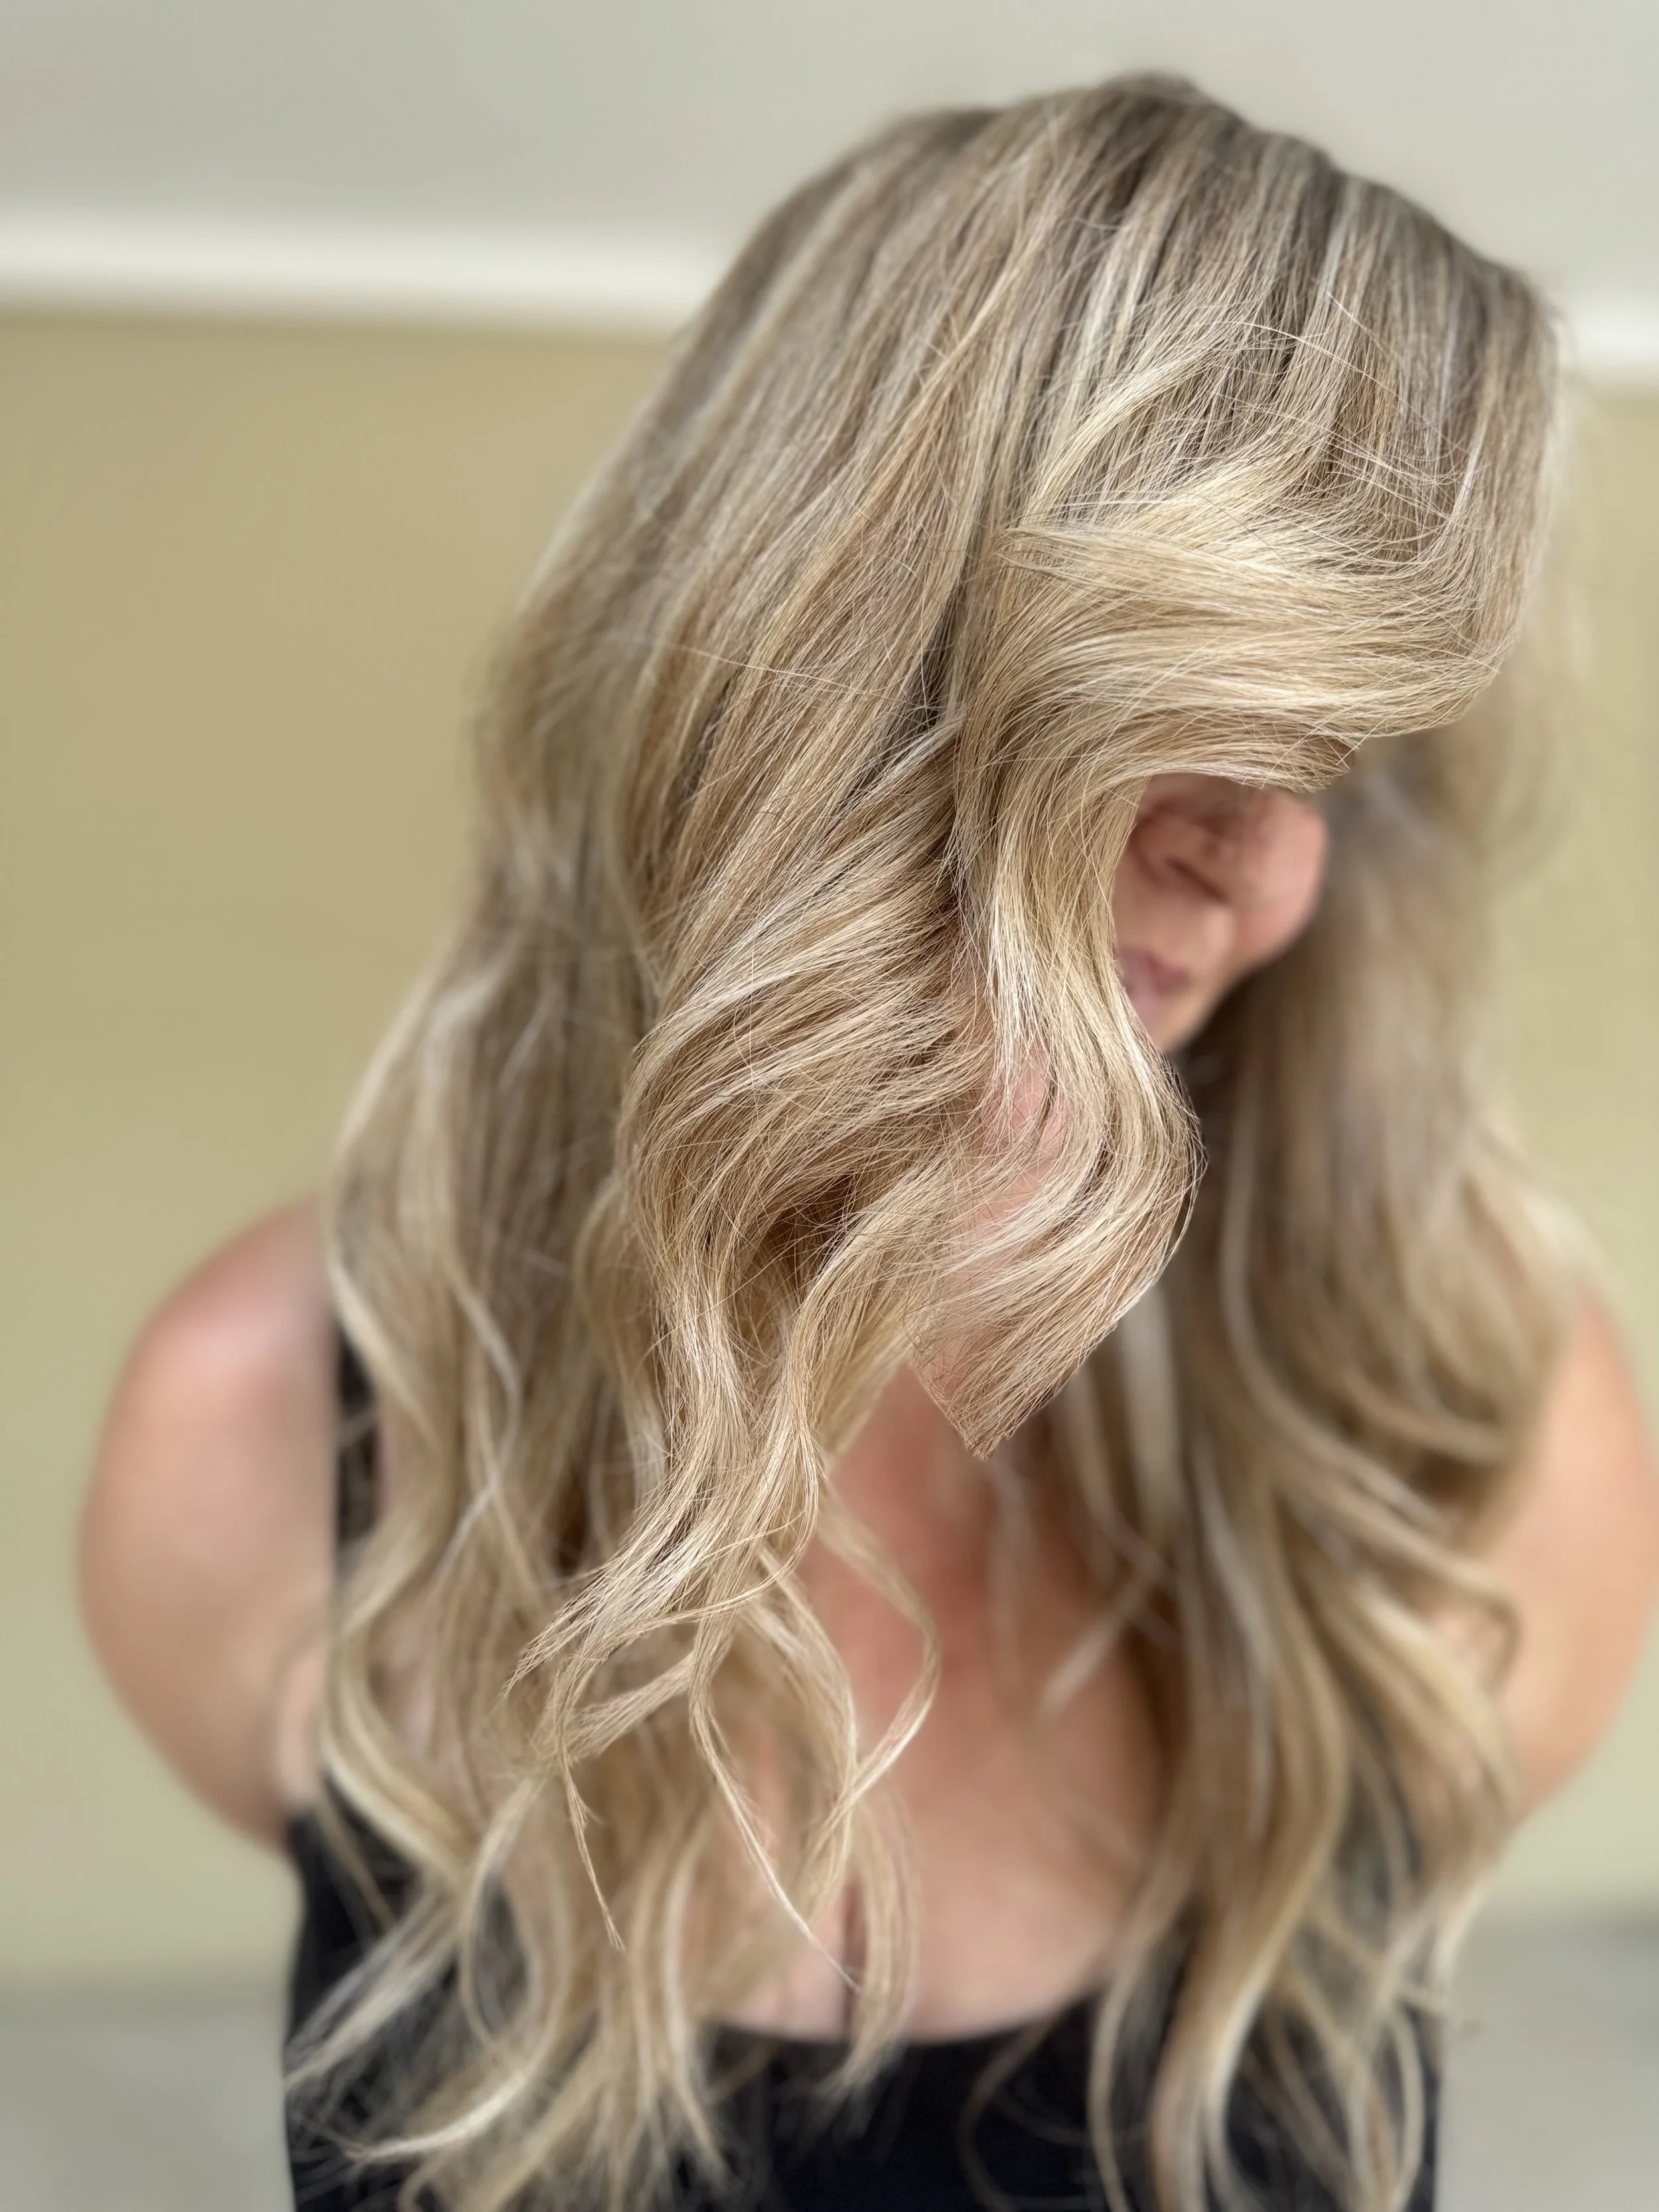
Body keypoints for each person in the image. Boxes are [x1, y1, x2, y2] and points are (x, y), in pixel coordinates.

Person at [78, 74, 1659, 2212]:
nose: (1254, 877)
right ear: (808, 656)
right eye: (1159, 705)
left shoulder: (1461, 1421)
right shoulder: (266, 1436)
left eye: (1328, 748)